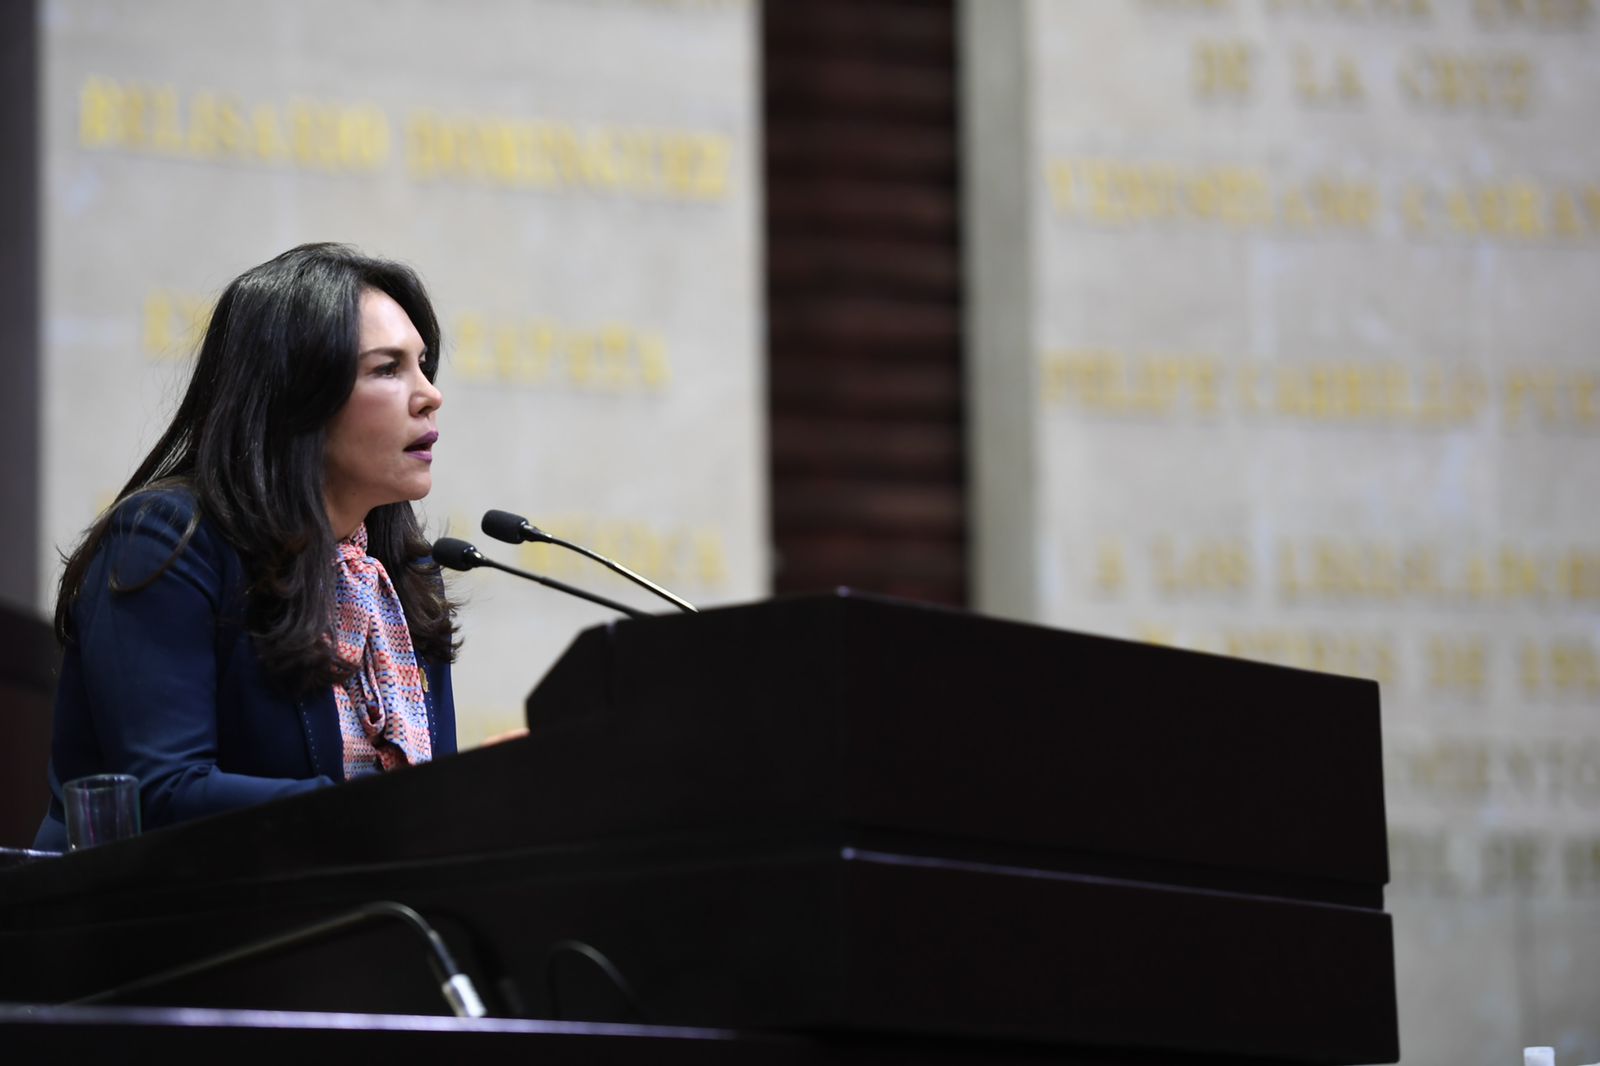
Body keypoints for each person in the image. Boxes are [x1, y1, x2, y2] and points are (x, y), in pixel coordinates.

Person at [34, 243, 458, 851]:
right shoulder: (167, 541)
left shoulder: (401, 572)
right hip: (170, 905)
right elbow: (164, 793)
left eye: (423, 365)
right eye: (388, 369)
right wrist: (387, 809)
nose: (429, 394)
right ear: (296, 395)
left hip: (358, 904)